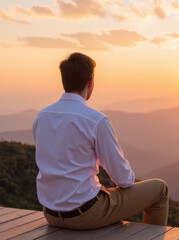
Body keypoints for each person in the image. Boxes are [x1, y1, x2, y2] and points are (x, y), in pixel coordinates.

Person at [32, 52, 169, 230]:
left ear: (64, 81)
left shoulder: (42, 117)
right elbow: (122, 178)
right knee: (160, 189)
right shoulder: (95, 120)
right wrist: (124, 187)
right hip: (86, 214)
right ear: (90, 82)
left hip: (51, 214)